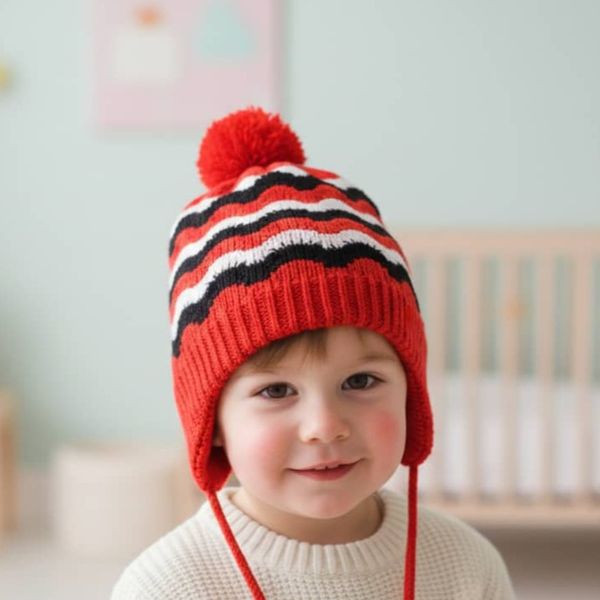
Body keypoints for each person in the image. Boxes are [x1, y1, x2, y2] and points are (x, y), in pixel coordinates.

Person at [111, 107, 516, 599]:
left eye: (360, 381)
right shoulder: (169, 587)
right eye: (276, 390)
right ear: (211, 420)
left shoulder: (466, 565)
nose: (325, 426)